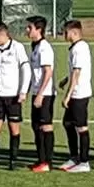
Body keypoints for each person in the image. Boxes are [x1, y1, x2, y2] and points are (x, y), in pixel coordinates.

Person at [0, 21, 29, 170]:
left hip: (13, 95)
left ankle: (13, 160)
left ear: (3, 34)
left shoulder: (17, 47)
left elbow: (26, 69)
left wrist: (23, 91)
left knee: (14, 128)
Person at [25, 16, 58, 172]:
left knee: (45, 126)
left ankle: (47, 162)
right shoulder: (35, 46)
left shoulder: (44, 47)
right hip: (36, 91)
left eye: (30, 27)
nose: (27, 30)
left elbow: (48, 72)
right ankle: (41, 159)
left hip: (45, 94)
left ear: (39, 29)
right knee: (36, 125)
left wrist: (40, 94)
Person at [59, 20, 93, 172]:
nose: (64, 34)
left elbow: (77, 72)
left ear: (74, 32)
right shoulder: (75, 48)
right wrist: (66, 79)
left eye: (66, 32)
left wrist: (68, 95)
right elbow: (74, 71)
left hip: (79, 94)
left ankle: (84, 162)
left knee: (81, 127)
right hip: (75, 92)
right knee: (67, 123)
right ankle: (74, 156)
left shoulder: (79, 48)